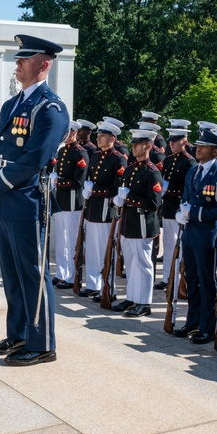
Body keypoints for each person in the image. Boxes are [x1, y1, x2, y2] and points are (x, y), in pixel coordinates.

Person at [0, 35, 68, 365]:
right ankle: (18, 335)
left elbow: (34, 158)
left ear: (43, 65)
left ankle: (42, 343)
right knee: (12, 274)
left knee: (32, 273)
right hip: (4, 199)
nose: (17, 63)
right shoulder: (12, 104)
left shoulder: (51, 108)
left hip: (28, 200)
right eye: (18, 58)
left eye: (24, 59)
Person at [172, 129, 217, 344]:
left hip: (208, 236)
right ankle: (193, 320)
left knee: (206, 280)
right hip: (191, 233)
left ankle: (208, 327)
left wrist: (195, 213)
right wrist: (181, 212)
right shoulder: (194, 171)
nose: (198, 148)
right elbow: (186, 198)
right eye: (198, 145)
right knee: (191, 279)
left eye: (204, 146)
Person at [113, 128, 163, 317]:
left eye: (137, 144)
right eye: (133, 144)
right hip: (128, 222)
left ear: (148, 146)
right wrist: (120, 199)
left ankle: (145, 302)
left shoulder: (153, 172)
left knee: (143, 264)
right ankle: (132, 297)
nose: (133, 148)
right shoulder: (131, 169)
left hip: (142, 224)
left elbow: (154, 203)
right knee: (131, 263)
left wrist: (130, 198)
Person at [81, 120, 128, 299]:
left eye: (102, 136)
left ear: (112, 138)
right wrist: (88, 188)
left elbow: (117, 188)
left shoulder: (118, 158)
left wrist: (94, 189)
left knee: (104, 250)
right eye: (98, 136)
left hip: (105, 210)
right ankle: (93, 284)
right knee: (92, 249)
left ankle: (108, 288)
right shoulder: (96, 155)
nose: (98, 138)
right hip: (93, 208)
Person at [49, 120, 87, 289]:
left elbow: (78, 182)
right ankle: (61, 272)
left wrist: (59, 181)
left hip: (72, 202)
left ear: (74, 133)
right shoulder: (62, 150)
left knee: (71, 241)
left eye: (67, 132)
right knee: (61, 239)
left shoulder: (80, 153)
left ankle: (72, 276)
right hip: (61, 201)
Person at [156, 122, 195, 289]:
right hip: (168, 208)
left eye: (175, 140)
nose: (171, 143)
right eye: (170, 140)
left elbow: (189, 188)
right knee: (169, 244)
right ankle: (166, 277)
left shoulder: (189, 162)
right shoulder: (169, 159)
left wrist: (169, 189)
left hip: (180, 208)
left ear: (184, 142)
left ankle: (180, 279)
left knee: (180, 245)